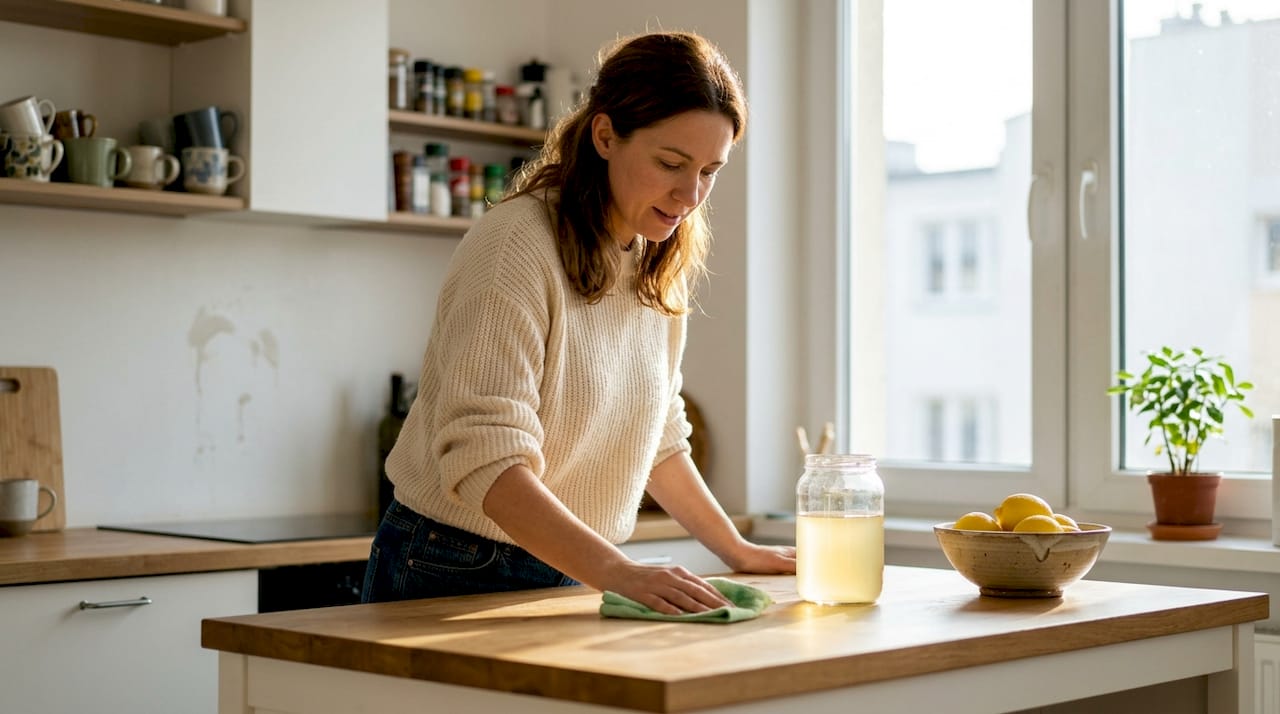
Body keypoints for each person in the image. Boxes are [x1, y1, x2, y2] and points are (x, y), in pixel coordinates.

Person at [362, 30, 795, 615]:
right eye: (671, 163)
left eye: (709, 171)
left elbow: (658, 435)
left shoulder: (653, 260)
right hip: (453, 562)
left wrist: (737, 549)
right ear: (605, 135)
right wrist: (617, 571)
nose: (690, 194)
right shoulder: (515, 245)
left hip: (573, 564)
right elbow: (484, 455)